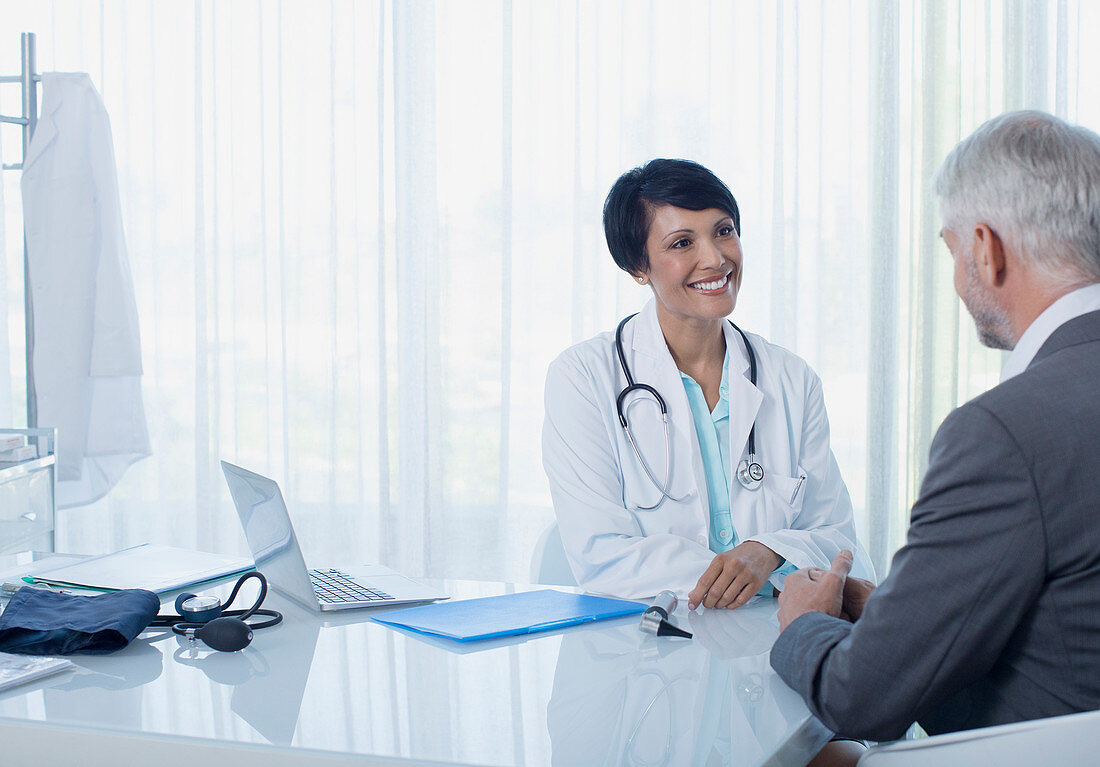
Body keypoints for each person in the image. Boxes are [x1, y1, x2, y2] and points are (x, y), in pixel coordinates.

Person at [770, 111, 1100, 743]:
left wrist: (803, 624)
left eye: (952, 252)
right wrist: (901, 618)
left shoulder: (1005, 433)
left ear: (986, 248)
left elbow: (859, 698)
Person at [542, 158, 873, 609]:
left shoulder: (792, 380)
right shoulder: (583, 379)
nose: (716, 258)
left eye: (724, 230)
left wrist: (770, 552)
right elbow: (602, 555)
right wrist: (754, 571)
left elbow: (839, 542)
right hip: (647, 654)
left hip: (773, 640)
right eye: (682, 242)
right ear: (638, 267)